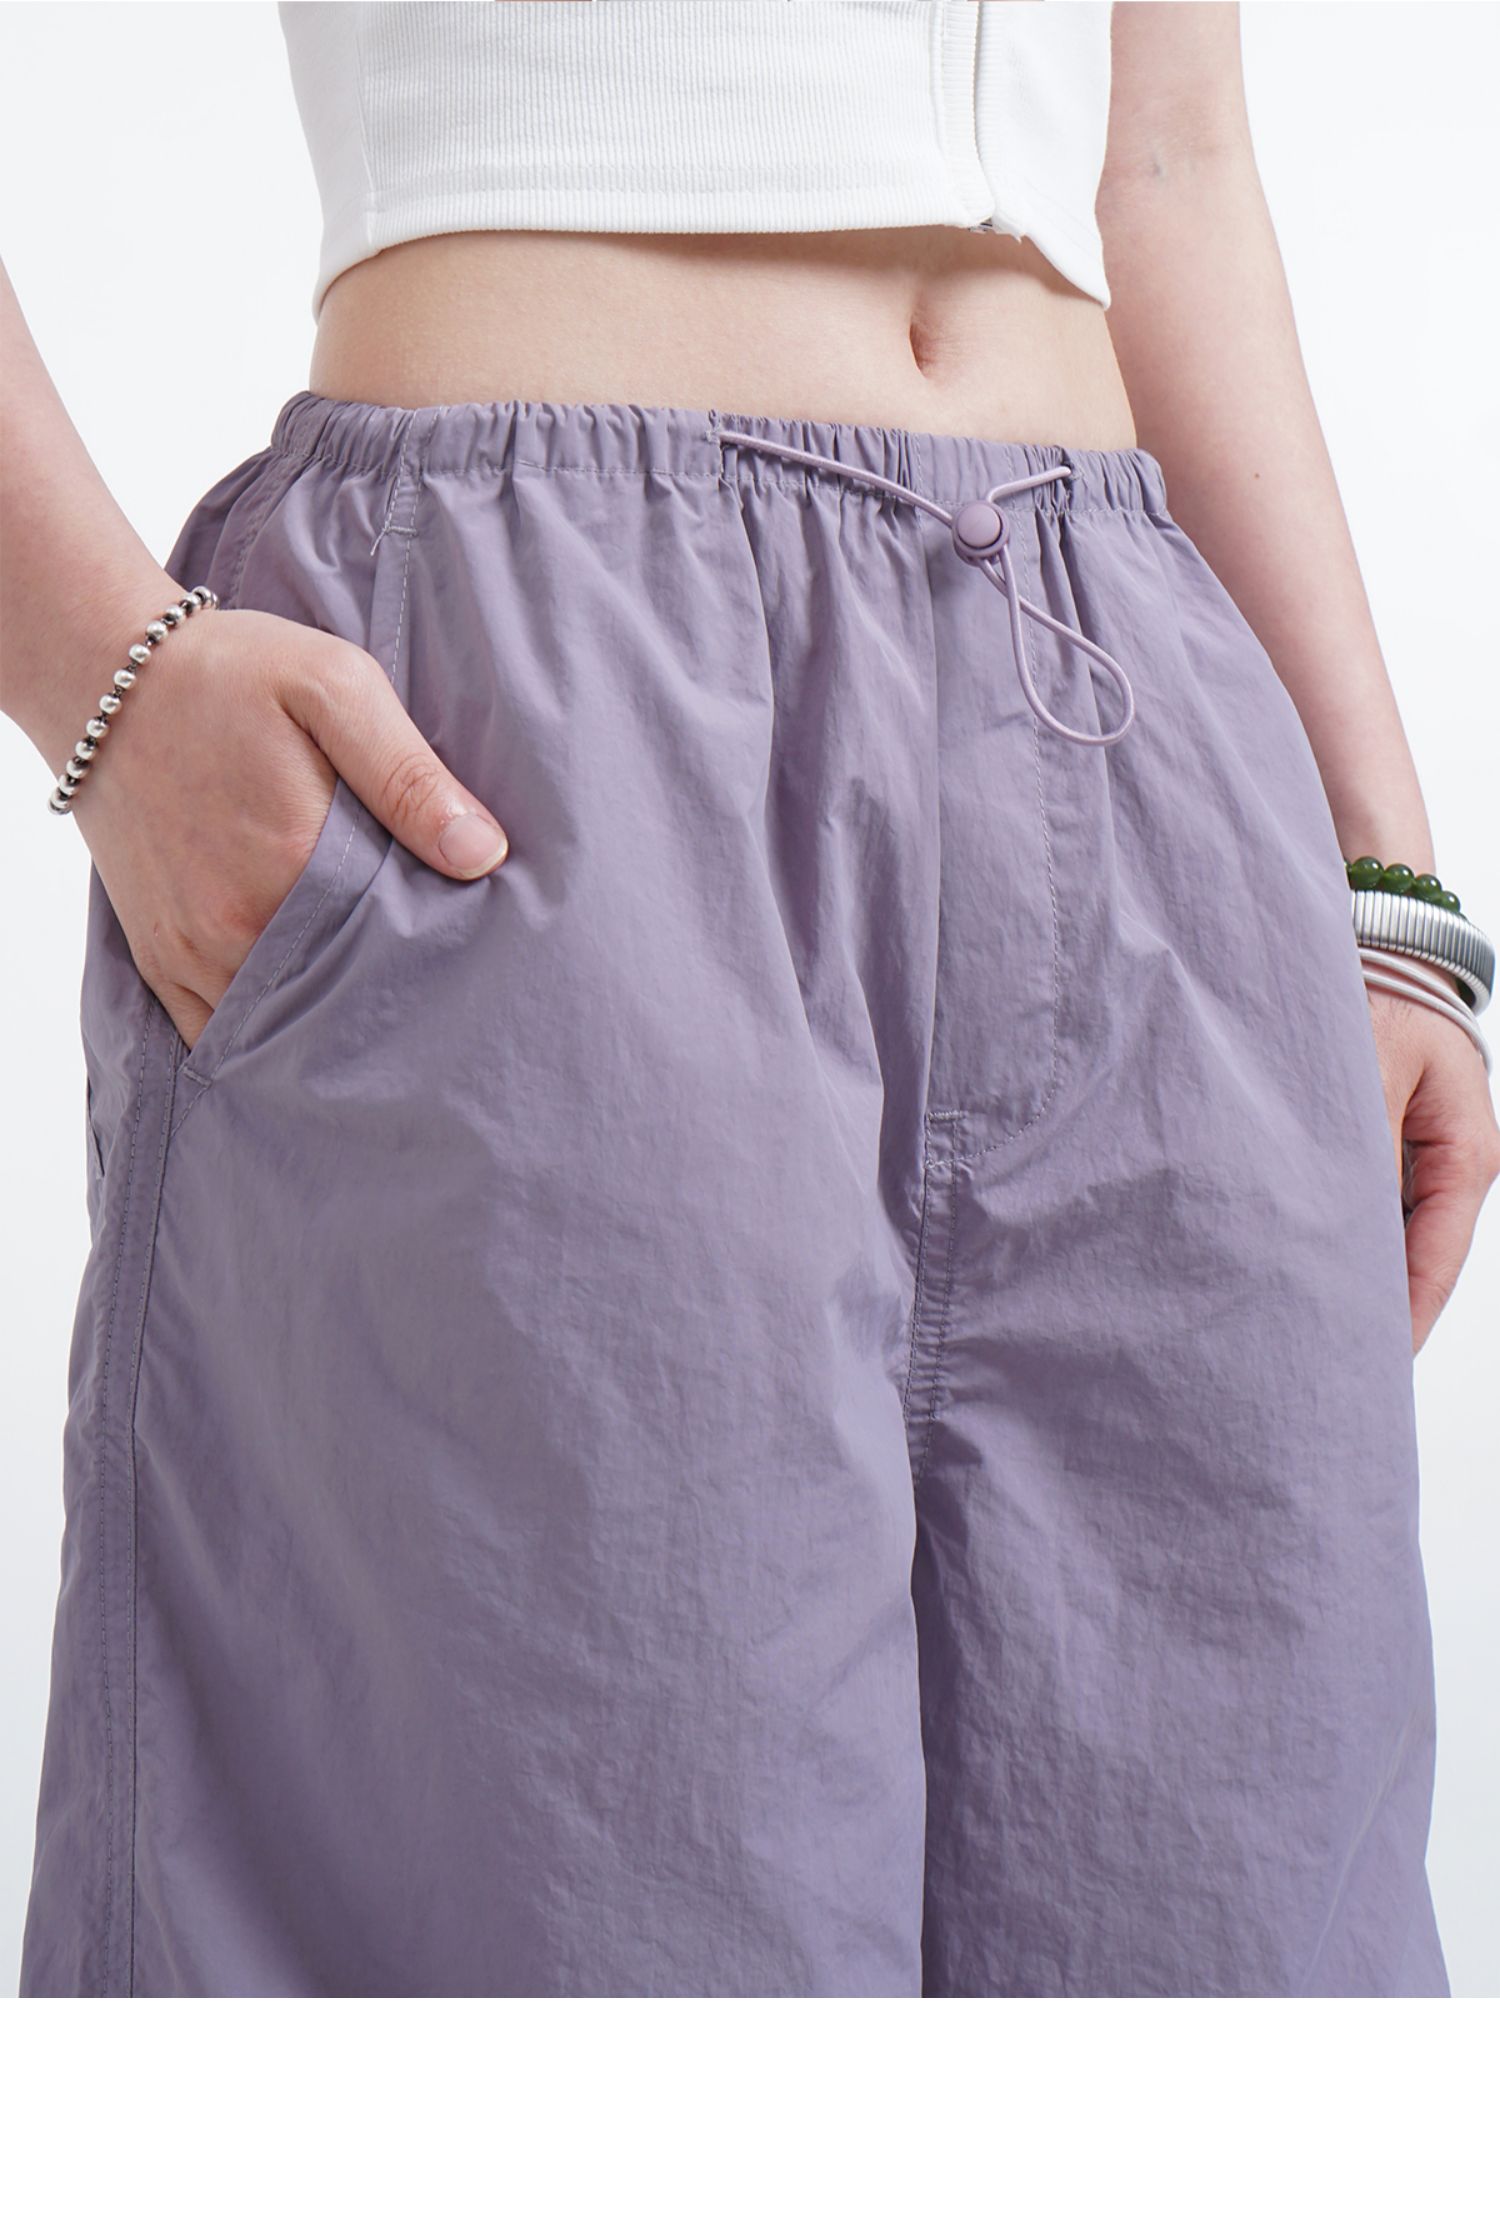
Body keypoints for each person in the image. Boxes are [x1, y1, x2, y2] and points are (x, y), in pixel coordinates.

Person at [5, 1, 1495, 1999]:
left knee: (1236, 1945)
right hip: (539, 697)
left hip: (1126, 704)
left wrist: (1385, 885)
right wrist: (100, 674)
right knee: (598, 1948)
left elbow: (1171, 159)